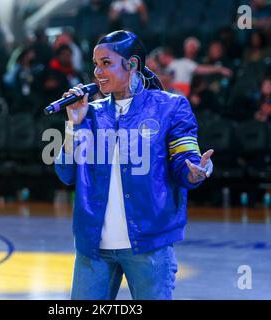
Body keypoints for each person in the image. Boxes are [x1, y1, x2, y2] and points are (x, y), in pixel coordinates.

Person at [54, 30, 214, 300]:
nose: (97, 72)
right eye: (95, 64)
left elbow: (184, 160)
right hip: (93, 248)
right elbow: (66, 173)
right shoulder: (90, 113)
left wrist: (195, 171)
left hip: (149, 246)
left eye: (106, 63)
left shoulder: (170, 107)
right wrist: (74, 124)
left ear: (132, 65)